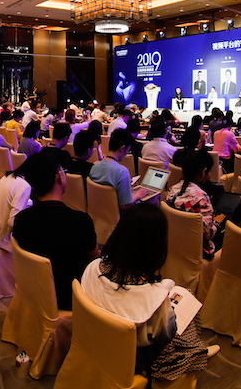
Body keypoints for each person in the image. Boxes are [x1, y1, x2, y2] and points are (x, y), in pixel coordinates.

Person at [81, 203, 216, 381]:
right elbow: (166, 336)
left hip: (93, 343)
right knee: (187, 299)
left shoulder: (92, 268)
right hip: (134, 361)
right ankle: (197, 350)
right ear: (156, 246)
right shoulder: (154, 297)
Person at [12, 151, 98, 310]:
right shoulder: (80, 221)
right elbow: (94, 261)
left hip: (35, 294)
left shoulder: (21, 219)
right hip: (74, 297)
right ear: (59, 177)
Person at [165, 149, 222, 259]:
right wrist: (217, 222)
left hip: (174, 243)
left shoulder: (172, 190)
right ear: (203, 172)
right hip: (196, 250)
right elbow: (208, 234)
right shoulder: (202, 198)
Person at [89, 128, 135, 212]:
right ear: (122, 148)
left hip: (97, 213)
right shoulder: (122, 172)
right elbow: (125, 206)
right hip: (118, 215)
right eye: (128, 150)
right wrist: (138, 195)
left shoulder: (94, 167)